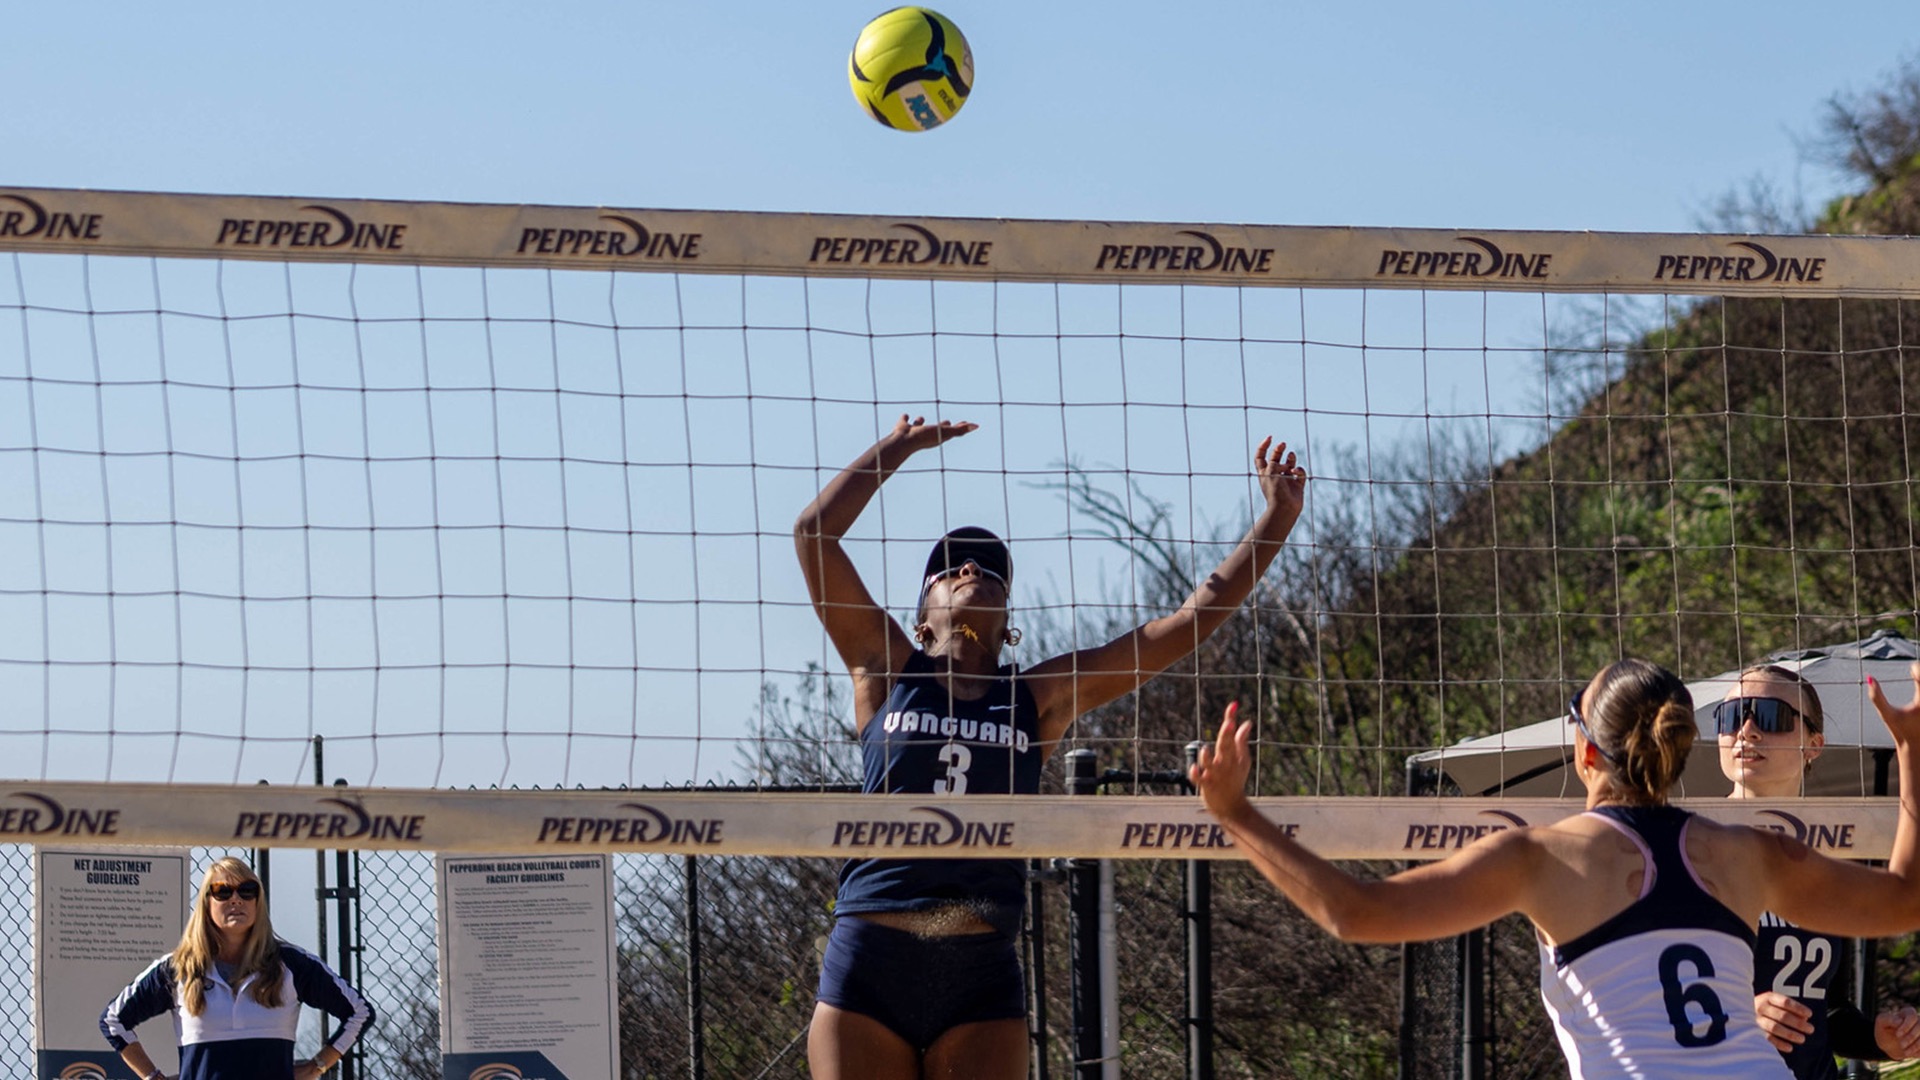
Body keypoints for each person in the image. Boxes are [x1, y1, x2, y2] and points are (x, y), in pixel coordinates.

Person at [795, 414, 1306, 1080]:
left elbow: (1185, 626)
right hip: (871, 958)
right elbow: (814, 536)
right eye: (948, 568)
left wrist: (1278, 520)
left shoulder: (1038, 697)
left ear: (1008, 626)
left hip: (977, 971)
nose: (970, 567)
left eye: (989, 570)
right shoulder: (886, 668)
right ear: (921, 617)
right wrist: (897, 449)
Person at [1191, 658, 1920, 1078]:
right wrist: (1913, 755)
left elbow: (1357, 913)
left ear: (1584, 753)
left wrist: (1235, 813)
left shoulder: (1541, 855)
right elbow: (1906, 901)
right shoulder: (1746, 851)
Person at [1717, 664, 1920, 1077]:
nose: (1748, 730)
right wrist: (1735, 1014)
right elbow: (1643, 998)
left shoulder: (1835, 856)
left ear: (1814, 745)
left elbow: (1828, 1012)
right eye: (1734, 716)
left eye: (1771, 716)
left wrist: (1879, 1040)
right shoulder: (1688, 844)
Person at [101, 857, 374, 1080]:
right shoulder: (177, 969)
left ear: (258, 901)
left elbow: (359, 1012)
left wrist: (318, 1065)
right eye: (222, 891)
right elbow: (113, 1021)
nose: (236, 899)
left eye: (247, 891)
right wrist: (152, 1076)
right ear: (207, 903)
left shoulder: (290, 963)